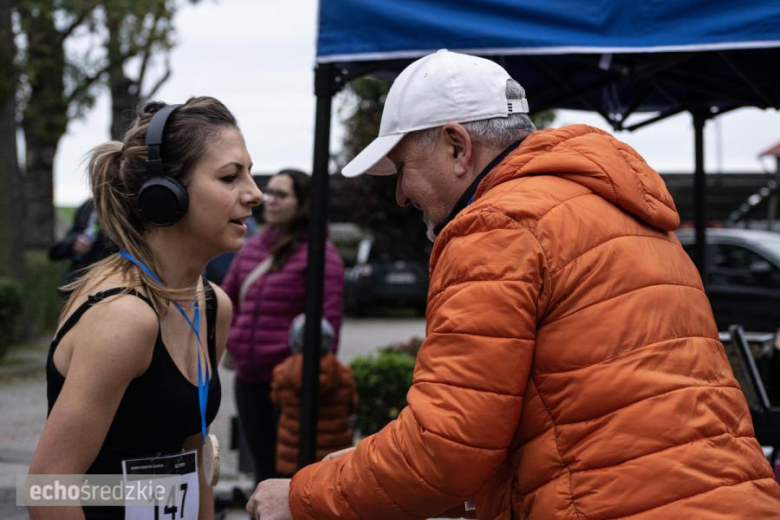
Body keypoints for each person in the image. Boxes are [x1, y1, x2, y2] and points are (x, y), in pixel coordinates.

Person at [247, 50, 780, 520]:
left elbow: (445, 450)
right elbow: (578, 432)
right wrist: (366, 471)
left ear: (457, 146)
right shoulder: (625, 213)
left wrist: (302, 496)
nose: (402, 196)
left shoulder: (495, 227)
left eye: (404, 166)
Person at [29, 97, 263, 520]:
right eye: (230, 177)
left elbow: (194, 457)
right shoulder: (125, 316)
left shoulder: (212, 305)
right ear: (165, 195)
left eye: (249, 173)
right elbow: (49, 488)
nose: (255, 194)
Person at [222, 168, 344, 484]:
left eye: (281, 194)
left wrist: (304, 370)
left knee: (289, 474)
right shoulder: (252, 246)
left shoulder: (320, 254)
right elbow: (229, 298)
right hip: (248, 378)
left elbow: (327, 326)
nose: (270, 200)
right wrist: (234, 340)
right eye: (270, 192)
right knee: (261, 469)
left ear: (302, 203)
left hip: (290, 384)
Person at [271, 314, 357, 477]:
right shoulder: (343, 373)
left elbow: (277, 401)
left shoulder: (283, 372)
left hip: (293, 455)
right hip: (334, 457)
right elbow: (352, 405)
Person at [49, 198, 115, 289]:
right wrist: (75, 242)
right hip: (75, 281)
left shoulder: (117, 210)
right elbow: (57, 252)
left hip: (102, 281)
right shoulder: (87, 207)